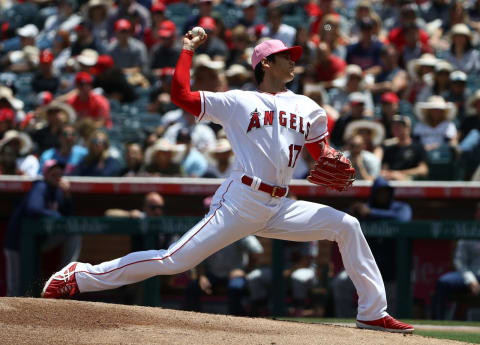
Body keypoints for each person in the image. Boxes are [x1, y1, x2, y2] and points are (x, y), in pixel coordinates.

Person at [41, 35, 413, 333]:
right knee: (173, 261)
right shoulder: (238, 101)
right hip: (240, 201)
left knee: (347, 225)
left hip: (282, 204)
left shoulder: (309, 107)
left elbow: (321, 152)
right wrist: (186, 51)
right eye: (286, 55)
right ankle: (80, 275)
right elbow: (181, 97)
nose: (293, 60)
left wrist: (334, 156)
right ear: (265, 63)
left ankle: (372, 312)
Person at [332, 176, 412, 317]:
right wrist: (352, 210)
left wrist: (372, 213)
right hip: (364, 266)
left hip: (391, 269)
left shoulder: (400, 207)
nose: (383, 195)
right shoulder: (364, 207)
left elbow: (404, 219)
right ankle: (344, 320)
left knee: (390, 306)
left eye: (386, 192)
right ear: (374, 193)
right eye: (380, 192)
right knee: (340, 284)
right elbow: (342, 218)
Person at [3, 159, 79, 296]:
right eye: (53, 170)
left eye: (59, 170)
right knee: (14, 289)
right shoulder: (40, 187)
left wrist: (67, 196)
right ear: (45, 173)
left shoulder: (58, 192)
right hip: (16, 244)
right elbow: (33, 208)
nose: (57, 172)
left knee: (72, 232)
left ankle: (66, 278)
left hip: (35, 245)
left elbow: (68, 217)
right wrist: (55, 214)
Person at [431, 240, 480, 320]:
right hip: (468, 274)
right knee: (443, 282)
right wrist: (471, 280)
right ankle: (437, 322)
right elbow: (460, 262)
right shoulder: (467, 233)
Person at [382, 114, 429, 181]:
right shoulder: (389, 148)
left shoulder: (418, 147)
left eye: (399, 126)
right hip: (391, 183)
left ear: (407, 128)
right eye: (393, 126)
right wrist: (390, 174)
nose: (395, 129)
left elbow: (423, 170)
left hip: (411, 183)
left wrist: (401, 174)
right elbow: (384, 169)